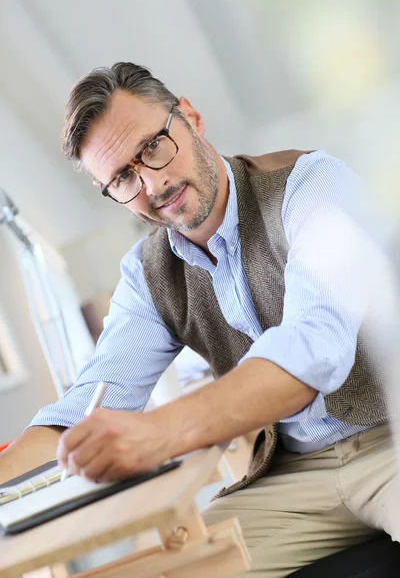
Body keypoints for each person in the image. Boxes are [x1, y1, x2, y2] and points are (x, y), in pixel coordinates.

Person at [1, 62, 399, 578]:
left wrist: (164, 432)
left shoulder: (312, 185)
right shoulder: (147, 275)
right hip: (300, 474)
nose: (151, 182)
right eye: (122, 177)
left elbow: (315, 345)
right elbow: (87, 405)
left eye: (151, 146)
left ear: (190, 116)